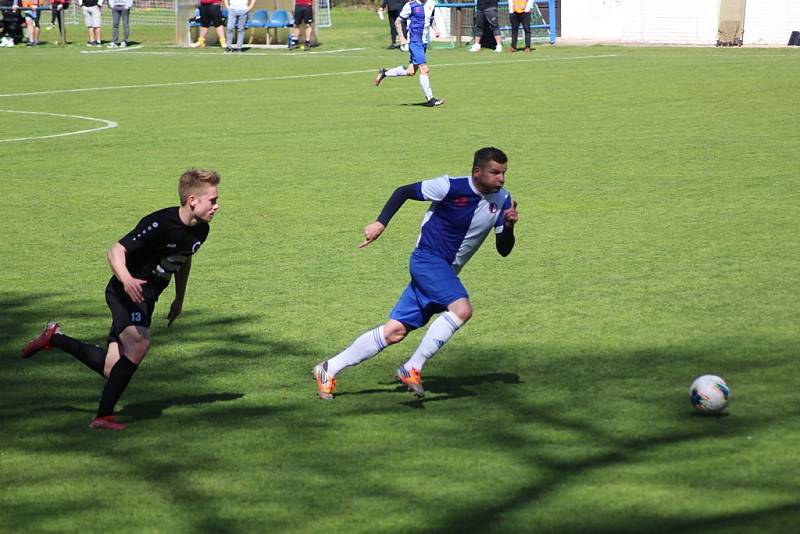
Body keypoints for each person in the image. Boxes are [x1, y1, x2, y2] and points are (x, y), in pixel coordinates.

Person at [21, 169, 221, 430]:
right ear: (193, 200)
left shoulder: (201, 231)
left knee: (112, 369)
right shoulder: (159, 223)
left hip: (146, 299)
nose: (217, 206)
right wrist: (127, 280)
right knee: (139, 345)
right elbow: (116, 250)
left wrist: (178, 299)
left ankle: (54, 337)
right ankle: (102, 417)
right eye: (213, 200)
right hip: (124, 293)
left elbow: (184, 259)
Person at [312, 147, 519, 400]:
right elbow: (404, 191)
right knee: (462, 309)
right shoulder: (450, 187)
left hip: (445, 272)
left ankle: (328, 369)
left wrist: (508, 227)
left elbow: (504, 250)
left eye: (504, 173)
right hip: (427, 260)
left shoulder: (503, 200)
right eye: (495, 172)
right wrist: (380, 223)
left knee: (394, 332)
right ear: (477, 172)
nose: (501, 178)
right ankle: (412, 367)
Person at [373, 0, 445, 108]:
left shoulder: (431, 3)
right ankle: (430, 99)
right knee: (424, 69)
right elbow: (398, 21)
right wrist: (402, 38)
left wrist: (435, 29)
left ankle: (385, 72)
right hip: (415, 42)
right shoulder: (410, 5)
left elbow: (430, 19)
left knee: (411, 71)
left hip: (424, 42)